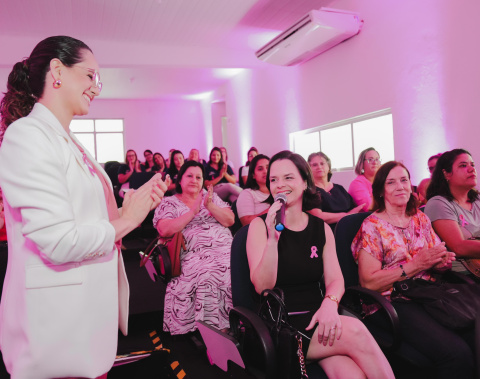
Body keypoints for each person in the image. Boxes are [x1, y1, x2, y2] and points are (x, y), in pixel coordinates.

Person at [0, 35, 168, 379]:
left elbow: (89, 221)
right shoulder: (28, 136)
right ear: (57, 71)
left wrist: (133, 209)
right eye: (90, 76)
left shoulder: (70, 141)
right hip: (54, 330)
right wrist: (128, 221)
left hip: (84, 318)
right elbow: (59, 241)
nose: (96, 87)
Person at [247, 150, 394, 378]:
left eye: (288, 177)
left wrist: (329, 305)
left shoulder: (321, 228)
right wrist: (272, 238)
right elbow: (262, 287)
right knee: (356, 330)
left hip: (321, 316)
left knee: (352, 376)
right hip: (282, 323)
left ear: (305, 182)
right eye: (273, 179)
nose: (279, 185)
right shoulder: (259, 227)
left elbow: (336, 279)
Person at [352, 161, 474, 379]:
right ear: (380, 191)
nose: (400, 186)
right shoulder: (372, 226)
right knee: (456, 354)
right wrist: (417, 264)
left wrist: (440, 262)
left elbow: (434, 256)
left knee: (475, 336)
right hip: (392, 301)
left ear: (411, 186)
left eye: (404, 180)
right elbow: (369, 283)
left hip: (427, 293)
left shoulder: (420, 218)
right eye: (391, 182)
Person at [154, 161, 234, 334]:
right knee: (209, 273)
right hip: (193, 254)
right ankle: (217, 332)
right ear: (180, 180)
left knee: (240, 267)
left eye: (198, 177)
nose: (194, 180)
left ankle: (240, 324)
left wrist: (210, 206)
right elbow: (164, 229)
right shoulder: (169, 203)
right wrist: (192, 212)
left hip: (226, 250)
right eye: (189, 176)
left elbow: (229, 220)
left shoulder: (209, 196)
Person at [425, 149, 480, 267]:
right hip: (462, 276)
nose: (471, 169)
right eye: (463, 165)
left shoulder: (477, 200)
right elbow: (459, 247)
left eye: (472, 165)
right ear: (447, 174)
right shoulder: (438, 203)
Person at [308, 152, 363, 231]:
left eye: (322, 163)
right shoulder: (310, 191)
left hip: (350, 230)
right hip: (327, 234)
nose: (319, 167)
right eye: (314, 165)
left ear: (328, 167)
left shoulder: (339, 188)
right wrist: (346, 215)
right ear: (309, 169)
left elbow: (354, 210)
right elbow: (318, 216)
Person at [236, 154, 270, 226]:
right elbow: (246, 222)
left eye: (268, 168)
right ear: (253, 175)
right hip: (257, 233)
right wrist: (272, 210)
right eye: (260, 169)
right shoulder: (247, 193)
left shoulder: (278, 191)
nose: (265, 171)